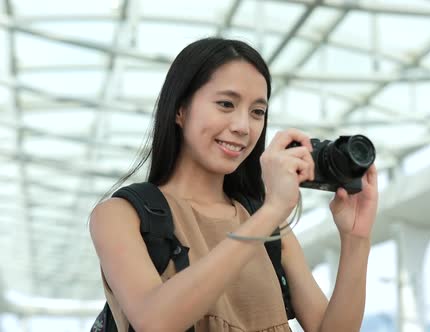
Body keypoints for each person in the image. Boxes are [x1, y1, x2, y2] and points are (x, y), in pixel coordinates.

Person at [89, 37, 378, 332]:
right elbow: (155, 321)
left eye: (257, 112)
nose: (243, 126)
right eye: (226, 104)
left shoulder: (269, 225)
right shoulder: (121, 216)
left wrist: (356, 239)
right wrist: (272, 209)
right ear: (180, 109)